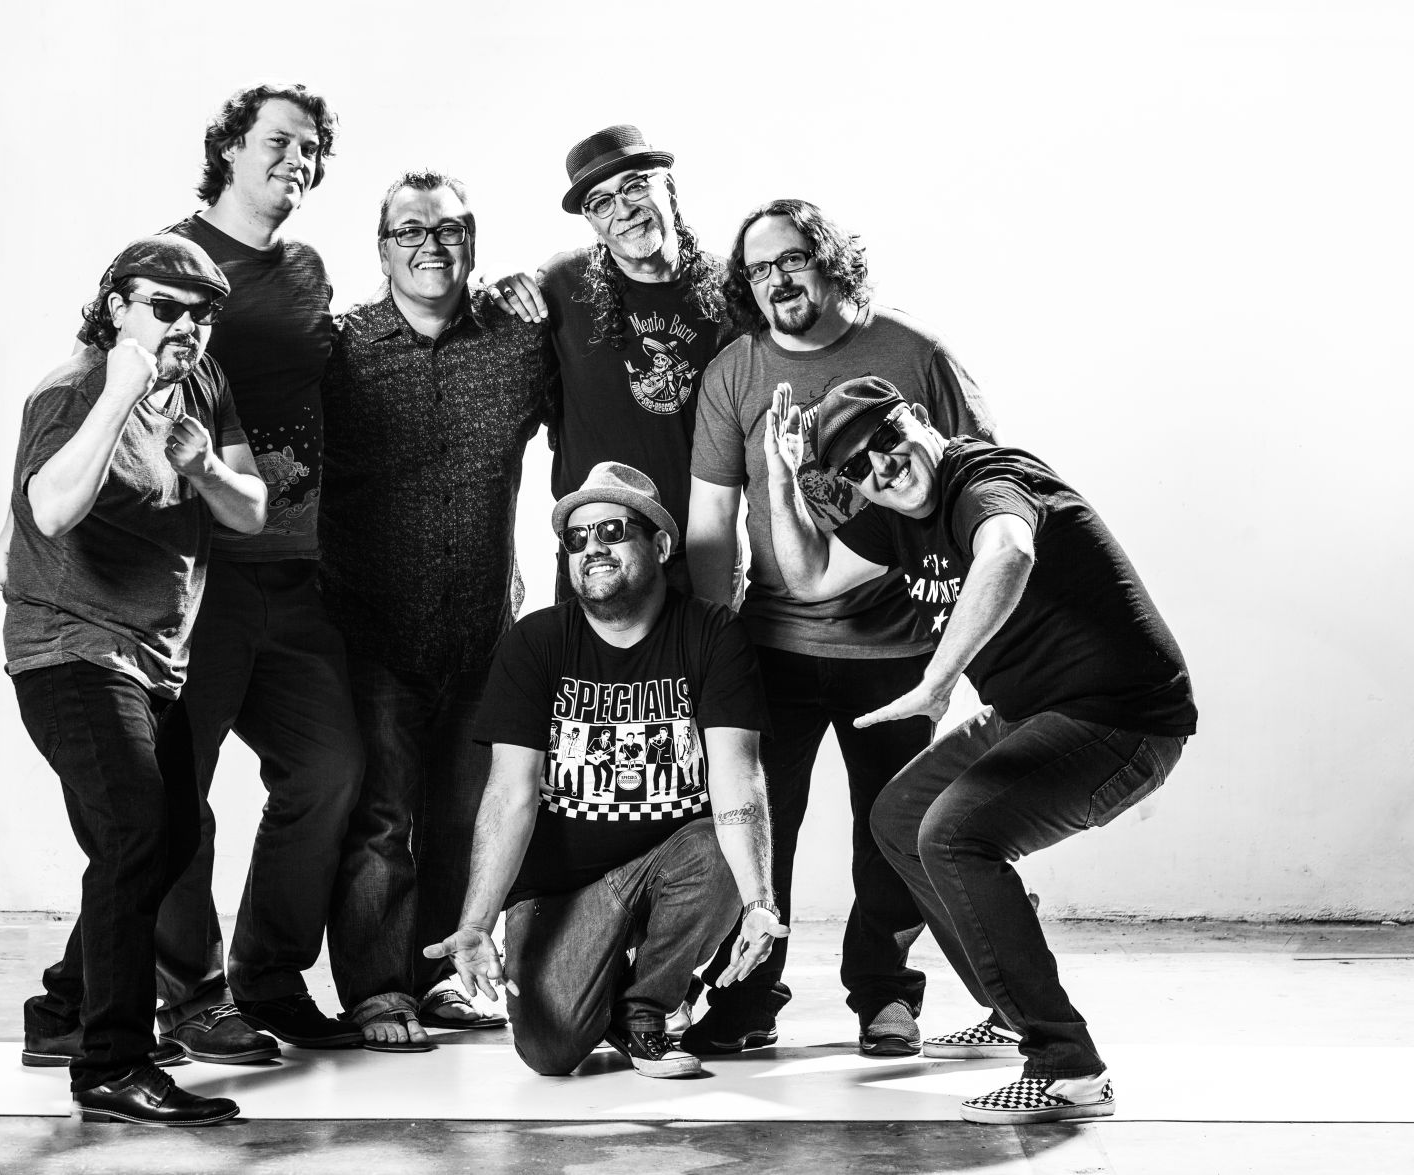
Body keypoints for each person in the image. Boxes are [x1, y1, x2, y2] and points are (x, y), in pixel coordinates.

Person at [0, 83, 361, 1057]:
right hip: (133, 613)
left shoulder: (282, 292)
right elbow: (61, 457)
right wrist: (20, 527)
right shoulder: (155, 282)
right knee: (156, 818)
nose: (297, 159)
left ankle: (136, 999)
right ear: (228, 147)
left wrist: (208, 468)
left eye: (312, 147)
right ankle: (172, 1008)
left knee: (309, 775)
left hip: (264, 578)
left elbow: (252, 474)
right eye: (277, 140)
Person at [763, 375, 1196, 1124]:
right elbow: (809, 576)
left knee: (954, 833)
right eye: (859, 466)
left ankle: (1068, 1069)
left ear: (919, 421)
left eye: (888, 440)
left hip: (1123, 721)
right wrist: (779, 474)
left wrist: (937, 681)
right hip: (1030, 715)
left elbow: (1008, 551)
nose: (883, 468)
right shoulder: (897, 518)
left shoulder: (985, 480)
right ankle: (1009, 1008)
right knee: (901, 817)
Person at [683, 199, 997, 1057]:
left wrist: (957, 641)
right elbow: (710, 524)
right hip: (772, 647)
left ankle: (883, 994)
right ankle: (746, 996)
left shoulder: (915, 353)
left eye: (791, 259)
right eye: (758, 269)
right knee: (755, 828)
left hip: (897, 648)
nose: (776, 280)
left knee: (890, 830)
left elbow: (979, 485)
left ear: (831, 260)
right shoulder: (736, 371)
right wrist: (713, 647)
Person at [2, 234, 269, 1125]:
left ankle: (63, 1012)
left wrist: (204, 466)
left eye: (201, 313)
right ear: (117, 307)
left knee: (166, 835)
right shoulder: (72, 390)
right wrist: (121, 391)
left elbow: (251, 511)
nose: (185, 327)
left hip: (156, 664)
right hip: (69, 650)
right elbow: (49, 509)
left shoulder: (203, 386)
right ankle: (112, 1064)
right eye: (164, 307)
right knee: (136, 832)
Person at [424, 463, 788, 1079]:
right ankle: (611, 981)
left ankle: (646, 1008)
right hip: (561, 890)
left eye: (612, 530)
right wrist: (476, 923)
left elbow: (738, 777)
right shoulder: (536, 642)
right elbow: (509, 794)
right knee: (551, 1051)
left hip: (671, 866)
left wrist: (758, 901)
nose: (591, 547)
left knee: (718, 849)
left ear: (661, 545)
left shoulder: (711, 633)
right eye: (576, 537)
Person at [318, 169, 549, 1050]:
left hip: (481, 630)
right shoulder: (340, 350)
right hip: (371, 628)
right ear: (381, 250)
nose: (430, 245)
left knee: (463, 815)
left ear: (472, 240)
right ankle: (379, 991)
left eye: (447, 229)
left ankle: (448, 974)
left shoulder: (518, 342)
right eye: (408, 230)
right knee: (381, 820)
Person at [488, 125, 734, 599]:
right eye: (600, 202)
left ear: (668, 187)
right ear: (590, 219)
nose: (623, 210)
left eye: (635, 186)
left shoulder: (730, 291)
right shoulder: (562, 284)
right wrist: (494, 288)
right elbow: (501, 347)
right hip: (593, 554)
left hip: (700, 557)